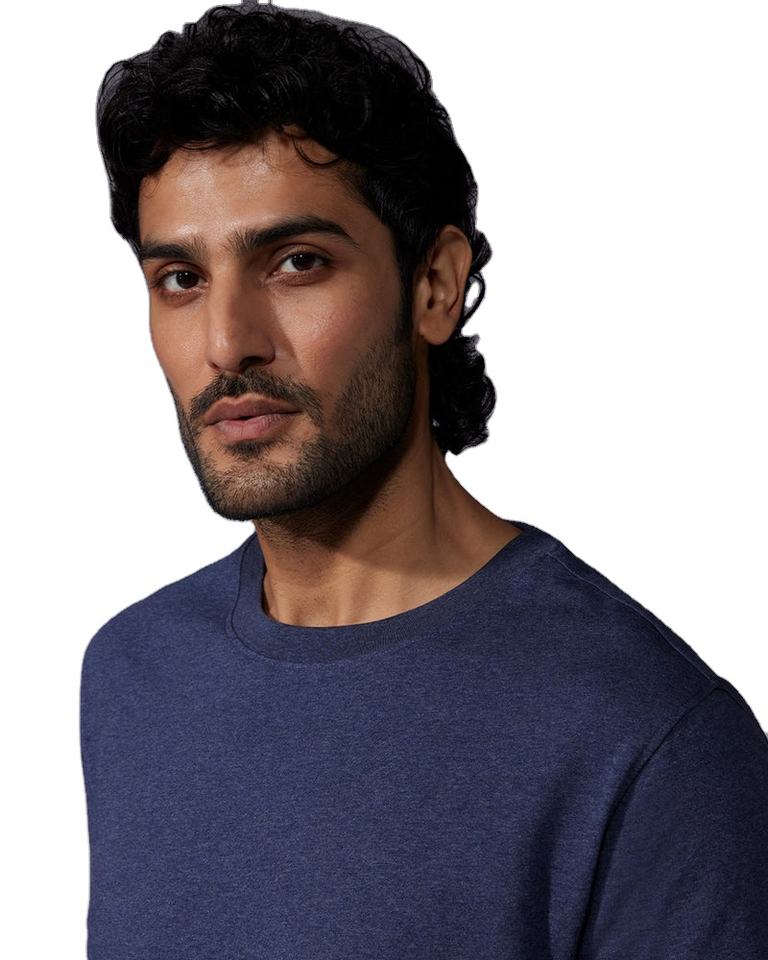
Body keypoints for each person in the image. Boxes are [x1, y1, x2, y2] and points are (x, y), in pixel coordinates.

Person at [80, 2, 768, 957]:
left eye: (297, 262)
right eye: (180, 279)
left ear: (435, 285)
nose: (227, 342)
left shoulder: (649, 739)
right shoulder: (134, 674)